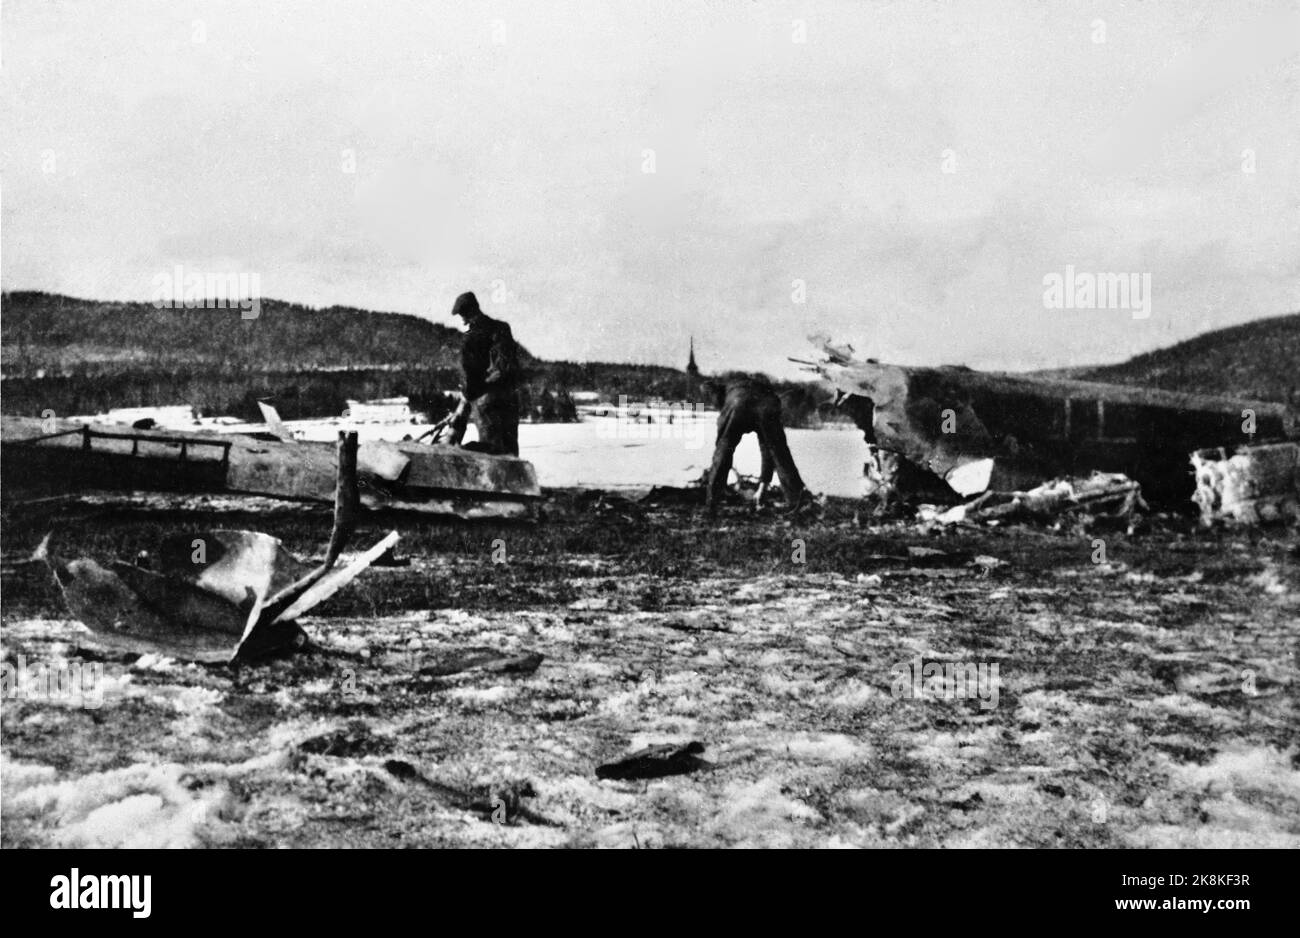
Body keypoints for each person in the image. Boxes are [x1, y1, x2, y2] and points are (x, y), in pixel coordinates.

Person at [704, 375, 808, 513]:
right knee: (779, 453)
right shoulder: (745, 385)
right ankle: (797, 501)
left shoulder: (729, 395)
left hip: (738, 403)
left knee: (723, 451)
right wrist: (762, 488)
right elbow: (768, 452)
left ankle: (712, 503)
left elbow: (721, 450)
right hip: (768, 403)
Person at [445, 291, 521, 456]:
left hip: (486, 401)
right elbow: (508, 365)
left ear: (466, 313)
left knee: (492, 450)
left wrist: (468, 394)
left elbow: (469, 378)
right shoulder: (502, 328)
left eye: (462, 315)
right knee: (510, 449)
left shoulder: (470, 339)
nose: (463, 320)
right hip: (509, 399)